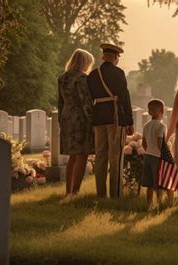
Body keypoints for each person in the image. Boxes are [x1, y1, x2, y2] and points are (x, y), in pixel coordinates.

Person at [87, 43, 134, 198]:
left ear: (103, 56)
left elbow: (90, 99)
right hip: (115, 117)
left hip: (98, 117)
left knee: (100, 157)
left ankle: (101, 194)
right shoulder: (118, 73)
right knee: (115, 156)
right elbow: (124, 98)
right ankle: (115, 194)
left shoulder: (93, 75)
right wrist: (129, 121)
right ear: (114, 57)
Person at [58, 48, 95, 195]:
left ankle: (68, 191)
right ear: (84, 63)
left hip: (66, 116)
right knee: (82, 154)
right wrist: (92, 121)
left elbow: (60, 102)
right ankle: (75, 192)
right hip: (80, 118)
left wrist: (61, 119)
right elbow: (85, 102)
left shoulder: (62, 78)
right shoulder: (82, 79)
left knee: (72, 156)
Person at [141, 99, 167, 207]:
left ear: (149, 112)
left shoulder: (146, 126)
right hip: (157, 156)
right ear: (162, 111)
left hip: (148, 156)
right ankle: (160, 203)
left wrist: (148, 150)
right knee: (159, 183)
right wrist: (164, 154)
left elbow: (143, 143)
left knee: (149, 184)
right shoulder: (161, 126)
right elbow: (160, 142)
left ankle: (149, 204)